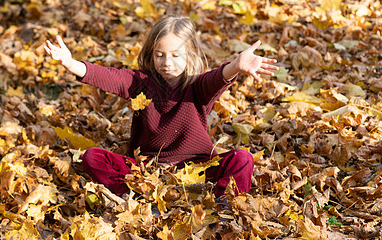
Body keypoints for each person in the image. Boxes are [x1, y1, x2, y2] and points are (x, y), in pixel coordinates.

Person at [44, 16, 278, 198]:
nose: (167, 62)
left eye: (176, 55)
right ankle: (131, 194)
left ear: (191, 54)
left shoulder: (198, 85)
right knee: (92, 157)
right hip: (148, 170)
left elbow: (218, 77)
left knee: (243, 158)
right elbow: (109, 76)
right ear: (151, 54)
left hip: (198, 168)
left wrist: (236, 65)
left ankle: (224, 202)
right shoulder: (140, 83)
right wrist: (70, 63)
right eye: (160, 55)